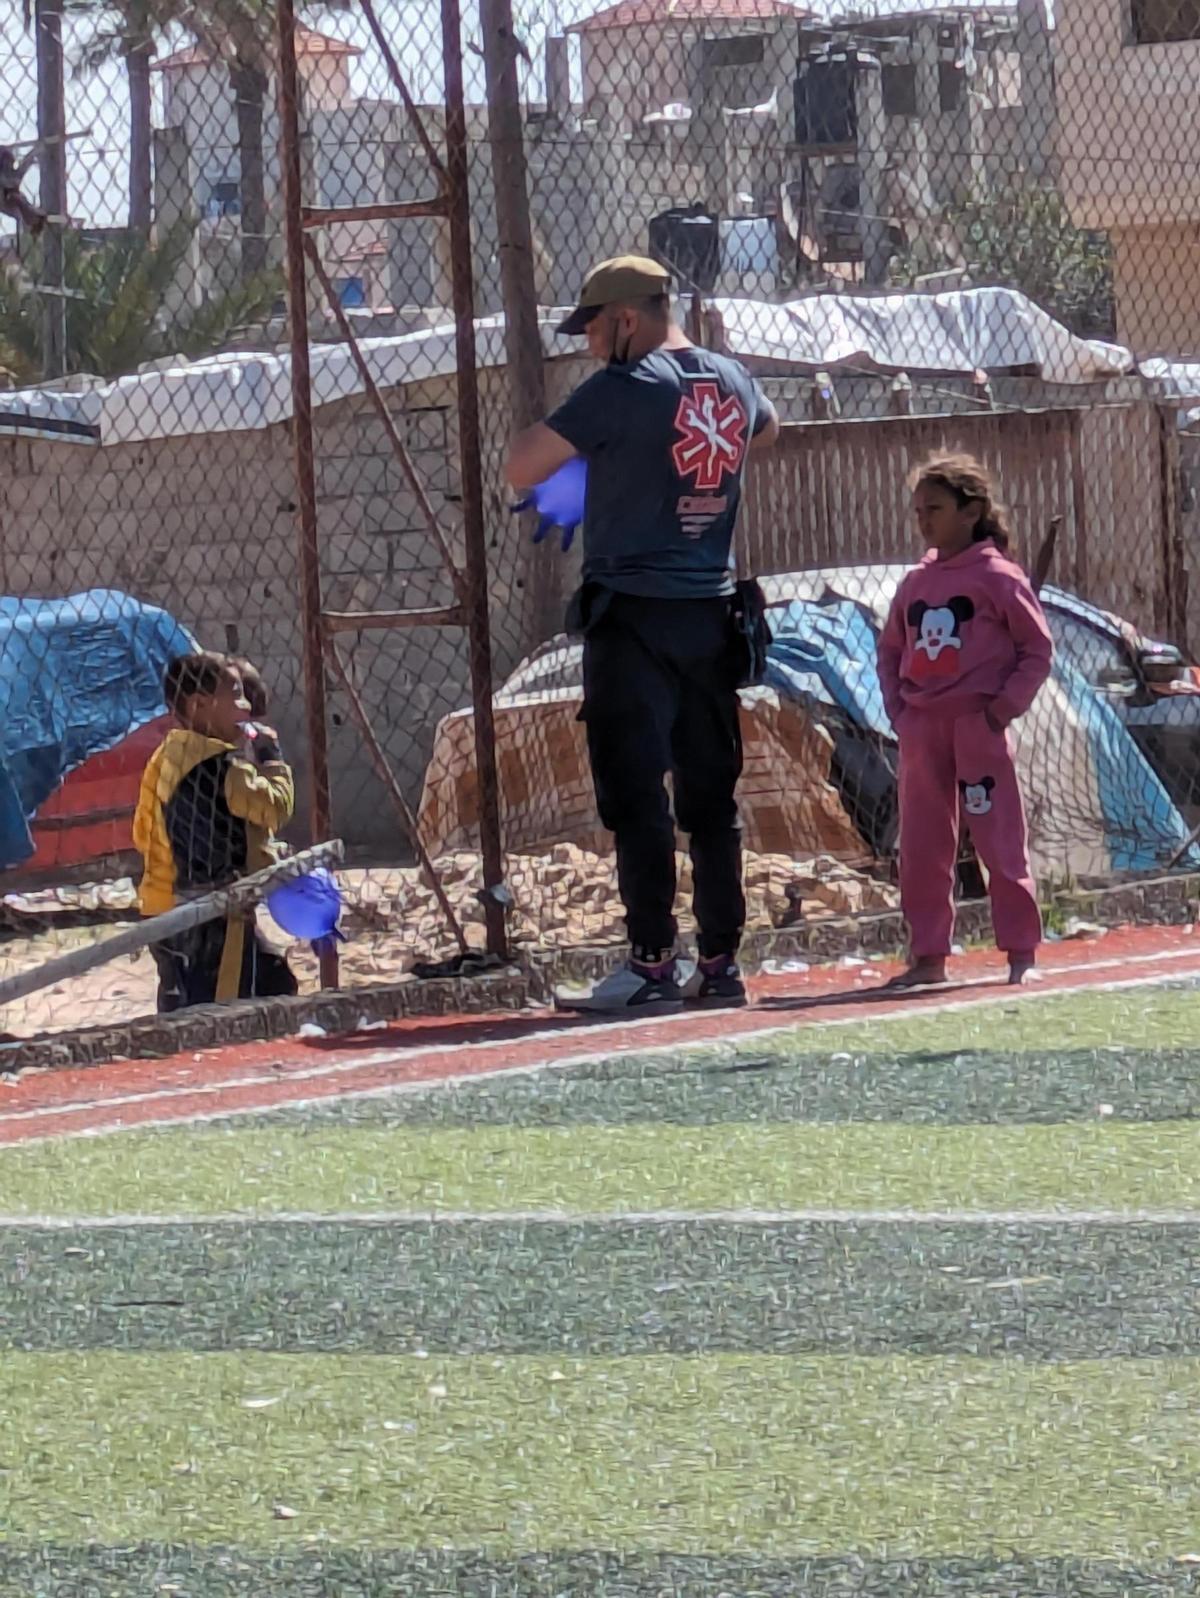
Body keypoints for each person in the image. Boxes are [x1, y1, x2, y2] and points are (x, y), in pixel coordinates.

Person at [505, 254, 779, 1014]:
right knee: (710, 796)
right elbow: (769, 428)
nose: (590, 345)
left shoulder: (623, 389)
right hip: (712, 610)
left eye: (592, 328)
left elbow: (520, 464)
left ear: (627, 317)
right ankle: (720, 963)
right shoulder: (732, 378)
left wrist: (603, 463)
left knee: (636, 796)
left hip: (632, 614)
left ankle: (651, 963)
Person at [876, 453, 1054, 988]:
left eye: (934, 508)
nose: (924, 521)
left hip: (978, 728)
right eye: (917, 511)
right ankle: (928, 956)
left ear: (970, 510)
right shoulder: (914, 584)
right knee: (924, 843)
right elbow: (889, 651)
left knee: (998, 837)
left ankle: (1020, 950)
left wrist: (999, 712)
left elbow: (1036, 650)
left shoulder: (999, 578)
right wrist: (900, 712)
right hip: (922, 731)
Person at [133, 651, 298, 1012]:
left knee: (205, 990)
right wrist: (271, 758)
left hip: (162, 905)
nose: (246, 707)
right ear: (199, 706)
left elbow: (143, 831)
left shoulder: (166, 756)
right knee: (219, 1007)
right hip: (211, 915)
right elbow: (274, 808)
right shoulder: (226, 767)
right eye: (237, 695)